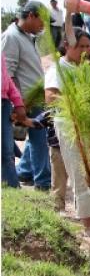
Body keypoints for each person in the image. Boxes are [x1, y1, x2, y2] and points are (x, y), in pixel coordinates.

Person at [44, 29, 90, 233]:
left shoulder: (86, 68)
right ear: (67, 46)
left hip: (88, 126)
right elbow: (50, 97)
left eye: (87, 47)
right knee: (79, 175)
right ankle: (89, 225)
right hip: (68, 126)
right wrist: (76, 103)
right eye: (80, 46)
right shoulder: (58, 69)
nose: (85, 51)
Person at [1, 0, 50, 190]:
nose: (43, 26)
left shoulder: (27, 36)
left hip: (34, 97)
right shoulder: (11, 37)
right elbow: (8, 73)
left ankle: (24, 172)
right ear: (31, 16)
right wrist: (19, 103)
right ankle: (43, 183)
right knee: (39, 140)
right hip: (26, 100)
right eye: (41, 21)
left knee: (37, 137)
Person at [2, 53, 34, 187]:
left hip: (4, 105)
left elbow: (7, 80)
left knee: (7, 151)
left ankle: (11, 186)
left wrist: (18, 103)